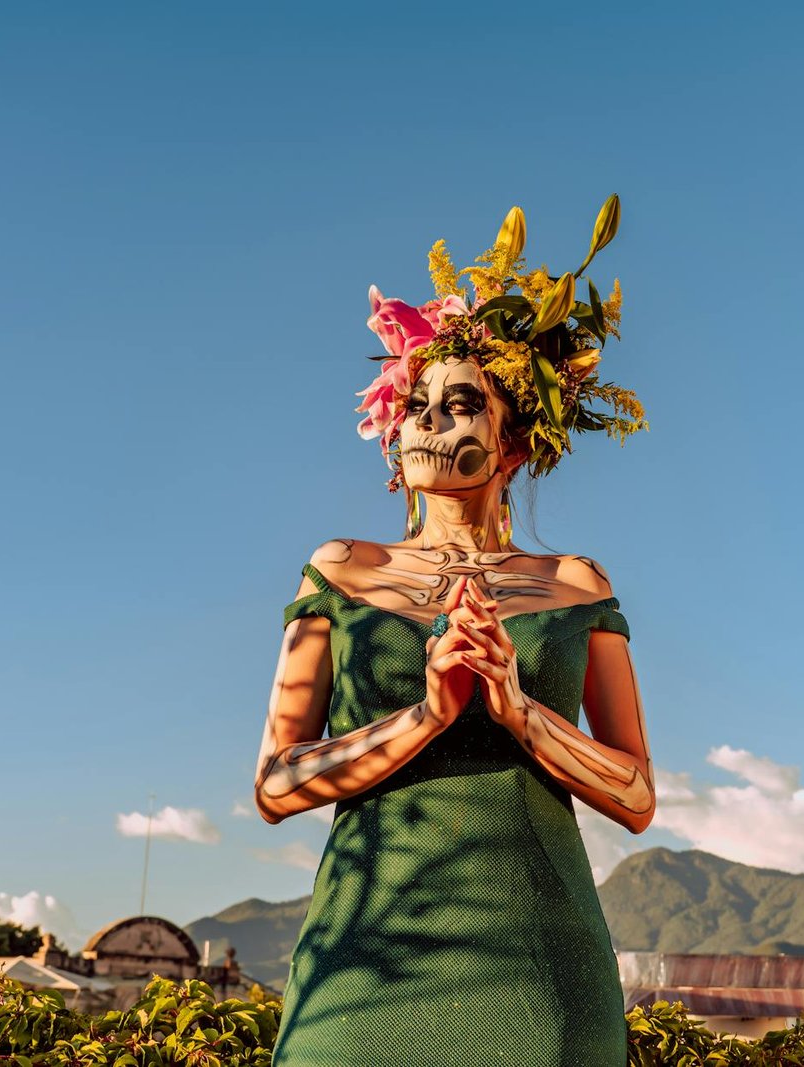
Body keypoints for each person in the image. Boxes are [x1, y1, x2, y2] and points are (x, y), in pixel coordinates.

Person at [254, 198, 655, 1067]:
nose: (429, 421)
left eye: (462, 402)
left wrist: (521, 713)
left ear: (514, 444)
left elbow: (635, 795)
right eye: (417, 403)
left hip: (542, 975)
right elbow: (276, 783)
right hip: (362, 975)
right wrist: (426, 716)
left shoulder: (576, 585)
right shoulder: (340, 569)